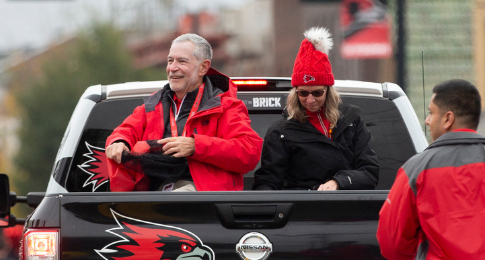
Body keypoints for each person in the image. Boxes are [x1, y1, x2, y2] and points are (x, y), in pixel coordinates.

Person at [106, 33, 263, 192]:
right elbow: (125, 130)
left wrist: (196, 146)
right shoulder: (154, 104)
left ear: (203, 67)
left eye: (182, 61)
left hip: (202, 201)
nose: (173, 68)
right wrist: (119, 142)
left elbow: (249, 152)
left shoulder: (226, 106)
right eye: (170, 61)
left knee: (177, 199)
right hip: (151, 196)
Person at [377, 79, 485, 260]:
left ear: (448, 119)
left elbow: (391, 239)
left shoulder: (416, 169)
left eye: (431, 112)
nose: (427, 120)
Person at [253, 27, 379, 191]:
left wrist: (338, 182)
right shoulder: (281, 131)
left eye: (317, 93)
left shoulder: (352, 122)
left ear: (328, 91)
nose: (310, 100)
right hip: (302, 212)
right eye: (303, 93)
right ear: (295, 92)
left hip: (348, 210)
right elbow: (267, 183)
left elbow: (369, 171)